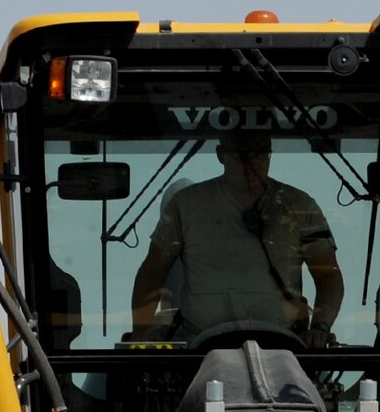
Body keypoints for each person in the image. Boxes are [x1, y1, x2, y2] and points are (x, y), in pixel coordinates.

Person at [129, 130, 343, 347]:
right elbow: (153, 271)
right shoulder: (186, 206)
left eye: (260, 153)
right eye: (242, 154)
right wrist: (142, 330)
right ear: (220, 155)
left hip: (284, 345)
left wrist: (320, 328)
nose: (252, 163)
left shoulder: (300, 207)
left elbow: (328, 275)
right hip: (200, 348)